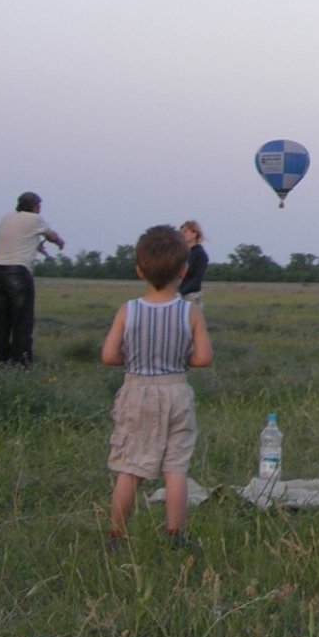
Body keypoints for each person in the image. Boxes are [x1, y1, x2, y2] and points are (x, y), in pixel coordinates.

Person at [102, 224, 214, 547]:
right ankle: (176, 535)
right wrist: (180, 360)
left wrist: (136, 359)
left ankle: (117, 535)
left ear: (139, 270)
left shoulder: (129, 310)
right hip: (177, 389)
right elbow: (204, 358)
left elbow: (109, 356)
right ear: (184, 270)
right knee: (176, 468)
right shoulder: (189, 311)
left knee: (131, 468)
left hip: (137, 391)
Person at [0, 191, 65, 368]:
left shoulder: (6, 218)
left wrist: (36, 245)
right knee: (22, 322)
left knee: (1, 322)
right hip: (18, 272)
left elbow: (19, 236)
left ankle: (1, 362)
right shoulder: (35, 219)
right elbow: (51, 235)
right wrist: (60, 242)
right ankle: (22, 364)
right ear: (35, 206)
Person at [178, 220, 209, 305]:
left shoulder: (200, 254)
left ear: (195, 233)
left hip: (191, 297)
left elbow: (197, 279)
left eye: (185, 231)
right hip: (177, 296)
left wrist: (180, 292)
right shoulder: (182, 253)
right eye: (181, 232)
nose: (182, 234)